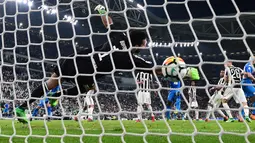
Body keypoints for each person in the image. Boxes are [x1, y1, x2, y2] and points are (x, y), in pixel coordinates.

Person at [15, 4, 161, 123]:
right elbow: (153, 69)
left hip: (77, 58)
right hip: (88, 72)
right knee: (87, 87)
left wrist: (102, 11)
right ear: (137, 44)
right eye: (144, 44)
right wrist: (176, 71)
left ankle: (22, 108)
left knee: (50, 83)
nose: (144, 47)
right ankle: (58, 95)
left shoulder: (119, 35)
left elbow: (107, 22)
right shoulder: (130, 59)